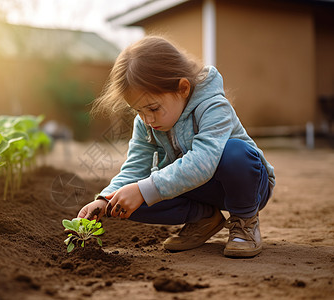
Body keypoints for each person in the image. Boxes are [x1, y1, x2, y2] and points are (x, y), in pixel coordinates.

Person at [77, 36, 275, 258]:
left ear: (182, 88)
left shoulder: (213, 106)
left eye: (153, 108)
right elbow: (135, 167)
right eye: (138, 111)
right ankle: (203, 218)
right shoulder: (146, 122)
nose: (147, 119)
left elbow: (203, 161)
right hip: (196, 190)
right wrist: (104, 200)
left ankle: (244, 221)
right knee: (124, 201)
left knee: (236, 153)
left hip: (248, 186)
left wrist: (144, 189)